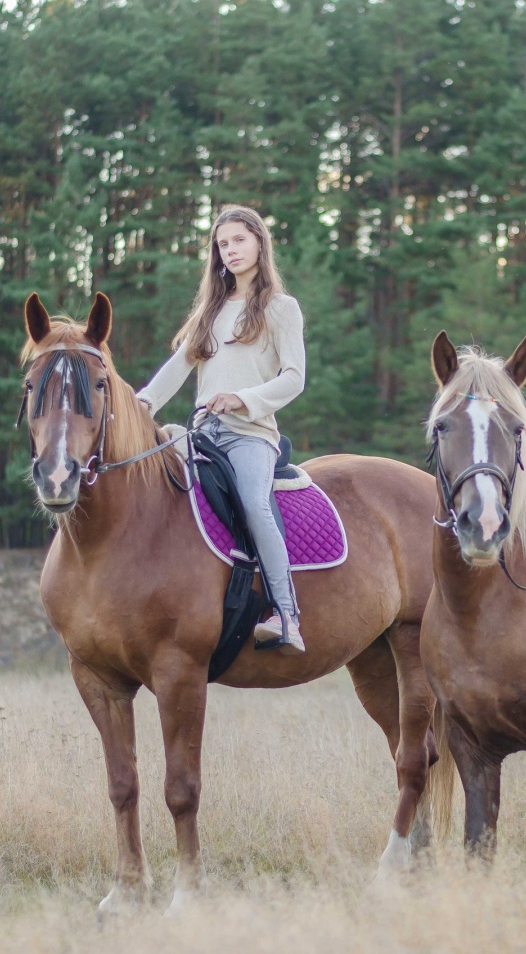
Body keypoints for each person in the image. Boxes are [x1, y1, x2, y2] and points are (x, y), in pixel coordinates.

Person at [136, 205, 307, 653]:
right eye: (223, 244)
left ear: (259, 243)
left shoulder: (281, 308)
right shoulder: (210, 310)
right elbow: (178, 368)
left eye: (239, 240)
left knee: (254, 503)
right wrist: (142, 403)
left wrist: (242, 398)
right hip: (202, 435)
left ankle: (287, 615)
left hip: (251, 434)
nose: (230, 250)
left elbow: (294, 377)